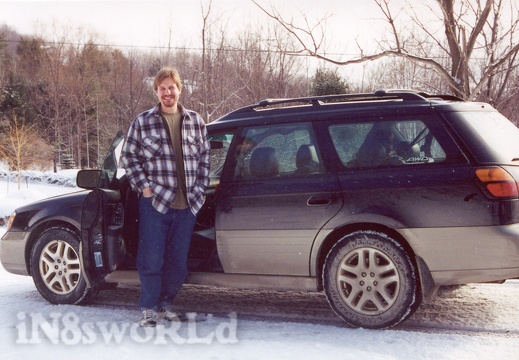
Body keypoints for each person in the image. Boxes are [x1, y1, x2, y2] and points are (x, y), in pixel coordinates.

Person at [121, 67, 210, 327]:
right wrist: (145, 189)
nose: (167, 92)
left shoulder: (196, 121)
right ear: (156, 91)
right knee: (151, 258)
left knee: (178, 263)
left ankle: (166, 303)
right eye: (162, 88)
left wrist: (200, 190)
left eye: (172, 87)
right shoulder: (142, 122)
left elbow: (205, 159)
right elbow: (129, 157)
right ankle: (148, 307)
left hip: (188, 205)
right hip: (156, 204)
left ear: (180, 89)